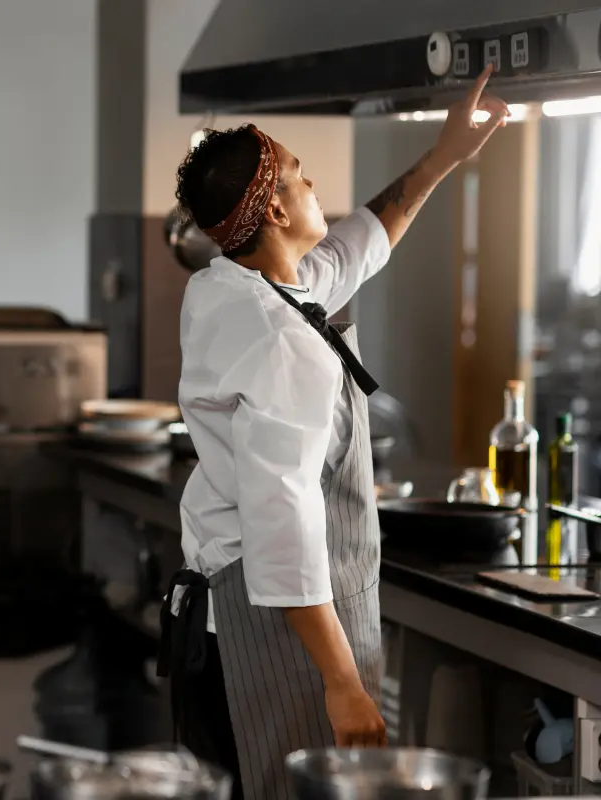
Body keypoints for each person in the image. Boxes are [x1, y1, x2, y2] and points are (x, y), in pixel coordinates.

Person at [159, 67, 507, 800]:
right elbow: (282, 524)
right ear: (277, 213)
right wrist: (344, 682)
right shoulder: (281, 340)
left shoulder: (232, 285)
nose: (315, 184)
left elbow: (362, 242)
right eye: (299, 174)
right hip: (283, 632)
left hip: (241, 611)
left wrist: (445, 155)